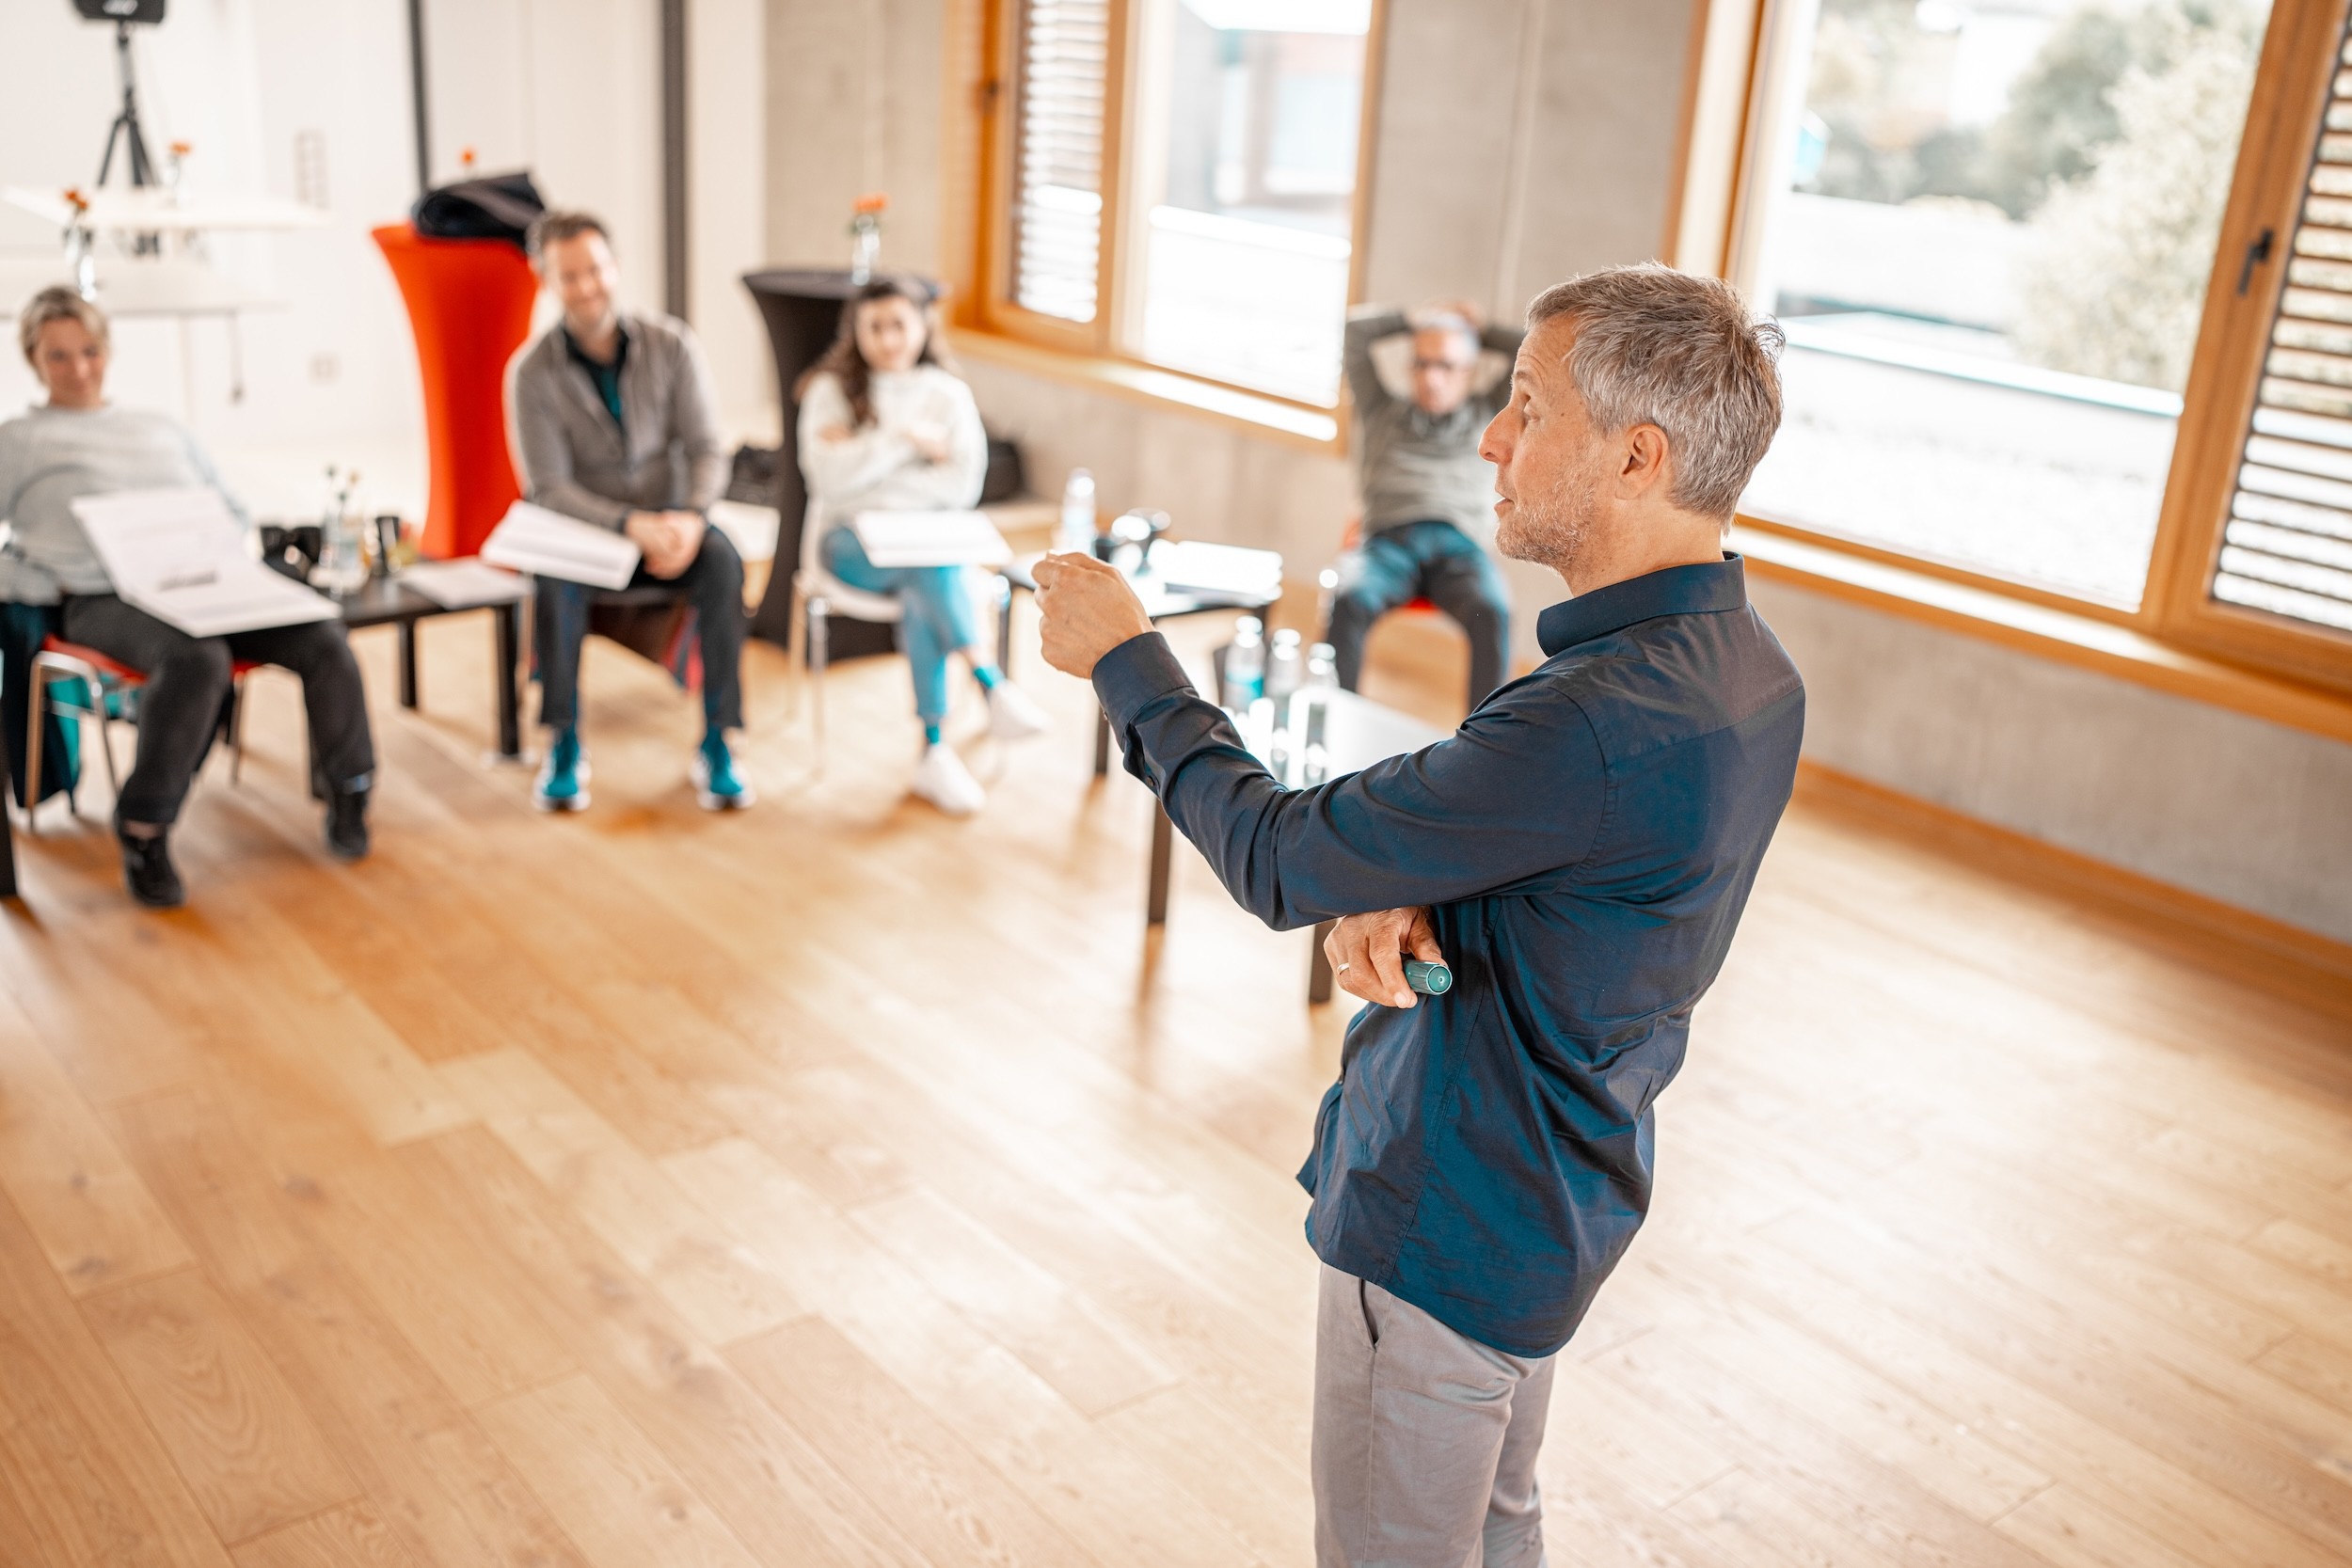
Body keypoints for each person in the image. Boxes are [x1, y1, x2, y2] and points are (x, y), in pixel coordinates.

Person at [1034, 264, 1803, 1567]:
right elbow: (1583, 865)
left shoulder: (1585, 720)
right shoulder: (1750, 675)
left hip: (1445, 1221)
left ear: (1634, 455)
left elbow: (1278, 856)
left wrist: (1128, 655)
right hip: (1559, 1202)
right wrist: (1417, 875)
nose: (1492, 440)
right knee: (1495, 1529)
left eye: (1525, 406)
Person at [0, 287, 376, 909]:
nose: (79, 369)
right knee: (197, 660)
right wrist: (36, 577)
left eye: (89, 351)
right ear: (34, 360)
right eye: (58, 356)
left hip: (203, 579)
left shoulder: (158, 427)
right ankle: (145, 825)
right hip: (100, 594)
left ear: (108, 349)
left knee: (323, 638)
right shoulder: (21, 439)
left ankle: (350, 789)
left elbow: (229, 507)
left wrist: (215, 546)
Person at [510, 210, 751, 813]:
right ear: (547, 282)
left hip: (674, 527)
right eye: (570, 277)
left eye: (595, 270)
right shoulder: (533, 373)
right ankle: (563, 738)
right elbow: (549, 488)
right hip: (592, 535)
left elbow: (706, 449)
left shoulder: (672, 345)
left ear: (615, 268)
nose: (587, 286)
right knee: (552, 576)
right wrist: (628, 526)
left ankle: (719, 738)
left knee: (725, 564)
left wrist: (692, 516)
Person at [796, 276, 1048, 816]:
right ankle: (987, 681)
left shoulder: (947, 393)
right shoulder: (828, 391)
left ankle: (934, 749)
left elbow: (963, 485)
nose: (888, 340)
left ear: (921, 327)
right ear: (855, 331)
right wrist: (906, 443)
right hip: (848, 544)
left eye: (899, 325)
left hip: (926, 545)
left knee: (925, 578)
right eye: (875, 328)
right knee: (936, 570)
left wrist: (867, 461)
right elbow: (828, 482)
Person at [1327, 298, 1523, 710]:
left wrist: (1477, 327)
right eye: (1422, 363)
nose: (1432, 377)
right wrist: (1410, 319)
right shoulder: (1381, 410)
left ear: (1468, 372)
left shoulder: (1487, 413)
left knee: (1494, 611)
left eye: (1447, 365)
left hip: (1460, 549)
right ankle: (1337, 714)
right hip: (1387, 545)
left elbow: (1528, 344)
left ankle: (1483, 741)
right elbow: (1354, 333)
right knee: (1348, 599)